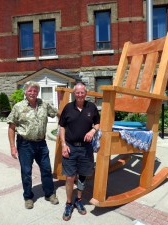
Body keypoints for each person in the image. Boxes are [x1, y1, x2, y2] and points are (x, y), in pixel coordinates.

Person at [7, 81, 59, 209]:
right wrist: (13, 147)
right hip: (25, 145)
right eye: (30, 90)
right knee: (26, 172)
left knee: (46, 170)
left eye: (35, 91)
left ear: (38, 92)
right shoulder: (18, 107)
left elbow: (58, 113)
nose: (32, 93)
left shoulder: (44, 105)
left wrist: (68, 122)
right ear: (25, 92)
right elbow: (11, 127)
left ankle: (49, 194)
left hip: (41, 144)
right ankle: (28, 197)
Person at [59, 82, 100, 221]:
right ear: (74, 93)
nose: (80, 95)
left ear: (86, 93)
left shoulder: (92, 107)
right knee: (70, 177)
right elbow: (62, 127)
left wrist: (93, 130)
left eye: (82, 92)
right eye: (77, 92)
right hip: (70, 147)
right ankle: (69, 203)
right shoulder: (68, 108)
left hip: (86, 148)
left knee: (82, 176)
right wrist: (63, 144)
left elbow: (98, 123)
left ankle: (79, 200)